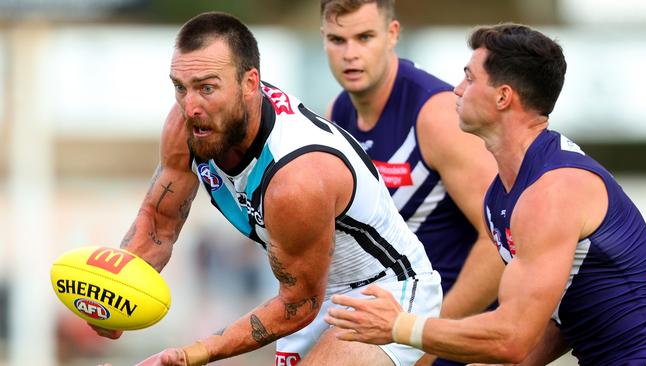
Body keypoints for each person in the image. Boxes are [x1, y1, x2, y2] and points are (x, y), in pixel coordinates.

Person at [93, 11, 443, 366]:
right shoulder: (188, 125)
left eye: (207, 87)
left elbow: (297, 304)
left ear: (249, 83)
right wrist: (113, 296)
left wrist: (190, 355)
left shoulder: (296, 177)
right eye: (180, 87)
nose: (190, 106)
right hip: (310, 294)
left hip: (384, 291)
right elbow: (158, 223)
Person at [324, 23, 646, 365]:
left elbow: (510, 337)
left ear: (503, 96)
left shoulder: (551, 191)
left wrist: (399, 327)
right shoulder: (503, 191)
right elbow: (559, 323)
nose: (456, 89)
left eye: (469, 78)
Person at [320, 1, 504, 364]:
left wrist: (428, 340)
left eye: (364, 37)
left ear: (392, 34)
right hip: (386, 322)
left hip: (453, 329)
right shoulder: (337, 113)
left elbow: (501, 241)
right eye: (337, 40)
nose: (351, 54)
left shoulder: (436, 116)